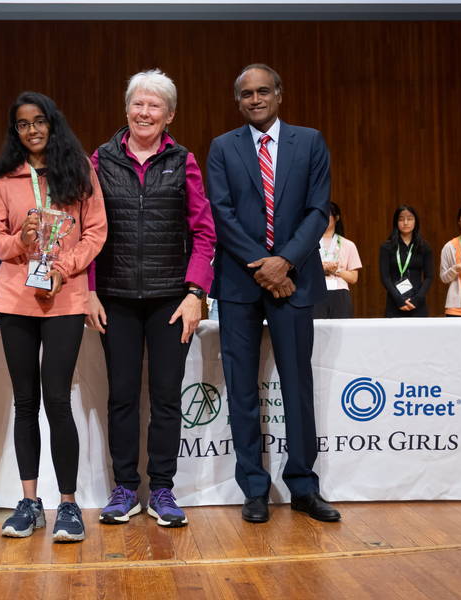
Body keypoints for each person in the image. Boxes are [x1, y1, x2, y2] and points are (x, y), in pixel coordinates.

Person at [206, 64, 340, 523]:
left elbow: (318, 210)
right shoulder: (222, 147)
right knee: (242, 389)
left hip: (294, 279)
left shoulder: (311, 141)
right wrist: (265, 266)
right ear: (238, 101)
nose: (256, 99)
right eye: (247, 94)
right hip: (239, 283)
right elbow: (222, 214)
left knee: (297, 385)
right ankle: (254, 489)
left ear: (279, 95)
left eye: (263, 91)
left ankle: (303, 486)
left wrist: (285, 261)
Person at [87, 69, 216, 528]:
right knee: (122, 397)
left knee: (165, 397)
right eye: (138, 104)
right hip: (115, 298)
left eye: (154, 105)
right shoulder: (100, 160)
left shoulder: (183, 160)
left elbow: (204, 233)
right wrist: (89, 292)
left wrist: (196, 292)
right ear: (127, 109)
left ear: (169, 115)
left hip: (171, 301)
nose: (144, 112)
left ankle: (162, 488)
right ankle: (125, 488)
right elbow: (87, 230)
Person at [0, 92, 107, 542]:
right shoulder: (4, 179)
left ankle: (68, 505)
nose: (32, 130)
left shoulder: (79, 171)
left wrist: (63, 268)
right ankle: (29, 502)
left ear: (52, 124)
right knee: (25, 402)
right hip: (15, 299)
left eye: (39, 121)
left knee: (57, 400)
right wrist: (20, 240)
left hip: (65, 297)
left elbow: (95, 232)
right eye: (23, 124)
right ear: (15, 131)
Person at [379, 205, 433, 318]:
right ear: (396, 222)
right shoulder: (387, 247)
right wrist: (398, 299)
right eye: (401, 219)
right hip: (395, 303)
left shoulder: (424, 247)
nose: (405, 223)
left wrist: (417, 299)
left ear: (415, 221)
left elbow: (429, 277)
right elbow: (384, 277)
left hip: (418, 303)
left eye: (409, 219)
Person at [313, 202, 361, 319]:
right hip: (316, 292)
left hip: (340, 294)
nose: (323, 217)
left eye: (327, 214)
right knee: (316, 329)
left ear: (337, 218)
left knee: (341, 329)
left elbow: (353, 278)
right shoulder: (311, 244)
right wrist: (320, 269)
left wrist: (336, 270)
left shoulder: (348, 245)